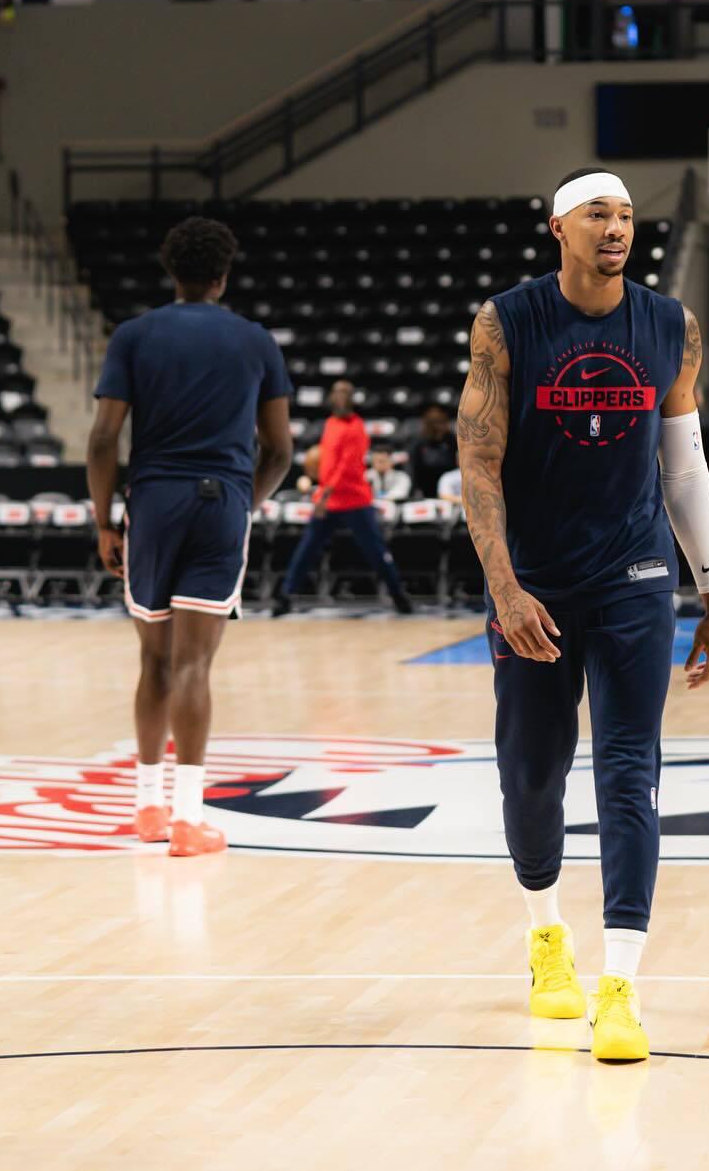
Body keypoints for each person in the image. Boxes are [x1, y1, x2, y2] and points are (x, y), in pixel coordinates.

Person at [457, 166, 709, 1063]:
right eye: (598, 214)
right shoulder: (507, 322)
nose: (616, 228)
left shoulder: (670, 326)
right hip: (534, 584)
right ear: (559, 229)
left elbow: (683, 466)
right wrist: (505, 590)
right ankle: (546, 935)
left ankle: (622, 988)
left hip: (635, 577)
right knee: (532, 776)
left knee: (628, 775)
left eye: (626, 216)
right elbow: (478, 463)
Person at [87, 217, 293, 857]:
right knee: (193, 664)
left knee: (153, 660)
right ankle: (187, 819)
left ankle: (147, 807)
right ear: (223, 275)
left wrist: (103, 521)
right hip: (219, 501)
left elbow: (102, 440)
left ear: (170, 270)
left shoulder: (133, 335)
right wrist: (242, 506)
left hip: (152, 502)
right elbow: (280, 451)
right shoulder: (255, 340)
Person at [272, 380, 413, 616]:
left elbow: (345, 468)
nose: (339, 397)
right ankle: (285, 596)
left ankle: (398, 595)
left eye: (344, 393)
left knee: (376, 551)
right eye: (336, 393)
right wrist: (321, 489)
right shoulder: (329, 423)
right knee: (307, 548)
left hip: (354, 500)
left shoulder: (356, 428)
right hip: (330, 499)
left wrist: (323, 496)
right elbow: (328, 464)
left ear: (351, 398)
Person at [408, 403, 457, 498]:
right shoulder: (418, 441)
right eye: (436, 424)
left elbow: (456, 462)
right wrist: (414, 489)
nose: (439, 427)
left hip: (448, 482)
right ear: (429, 425)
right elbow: (413, 466)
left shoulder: (451, 439)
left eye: (441, 423)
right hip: (425, 483)